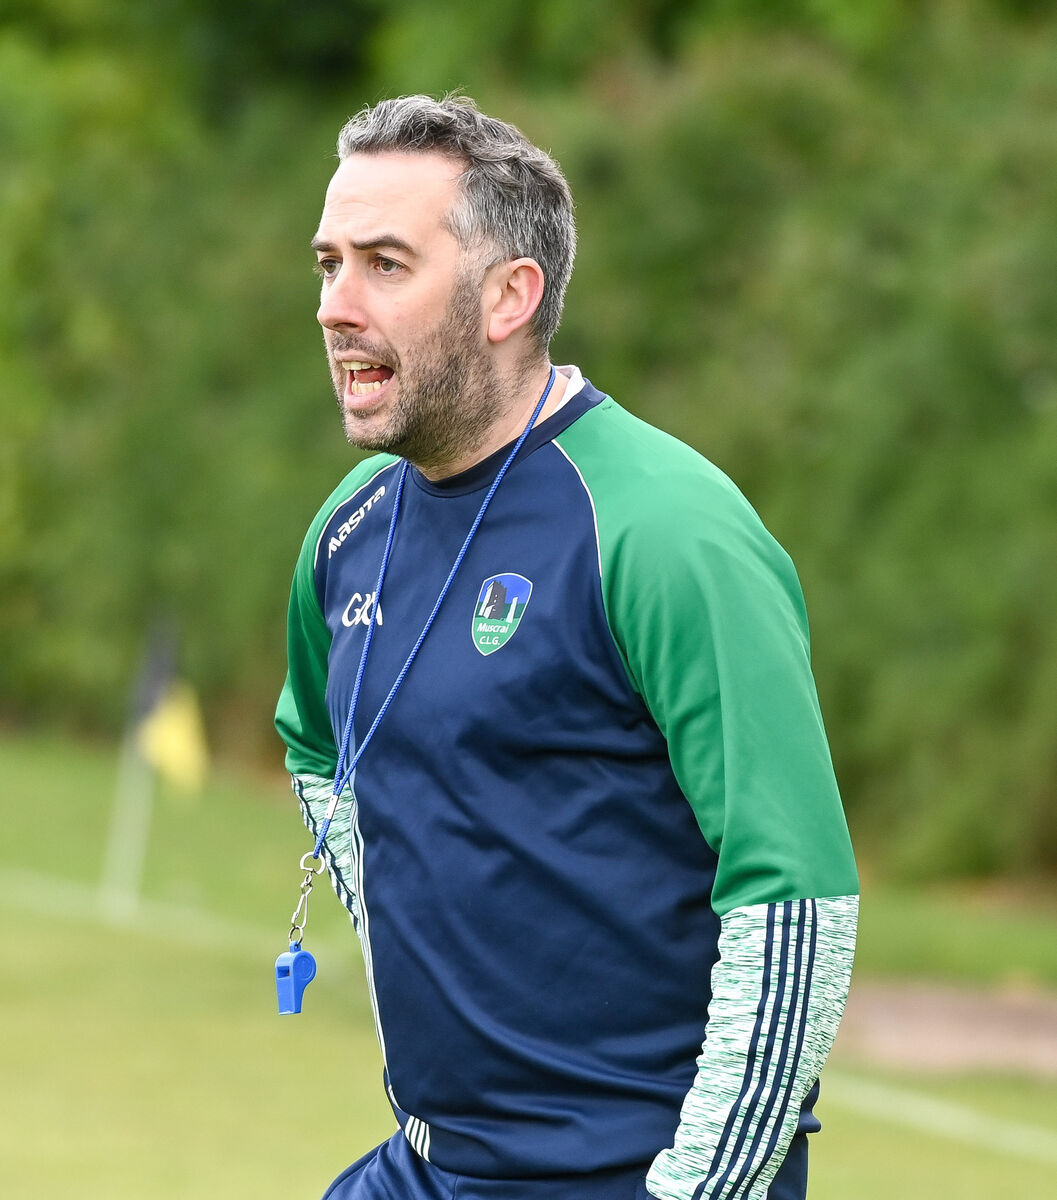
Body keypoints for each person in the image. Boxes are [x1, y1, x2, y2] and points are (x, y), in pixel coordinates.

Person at [275, 94, 858, 1200]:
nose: (335, 306)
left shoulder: (666, 529)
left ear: (510, 295)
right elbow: (315, 748)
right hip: (433, 1164)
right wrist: (406, 916)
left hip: (634, 1177)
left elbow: (795, 904)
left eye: (385, 265)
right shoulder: (347, 531)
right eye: (328, 264)